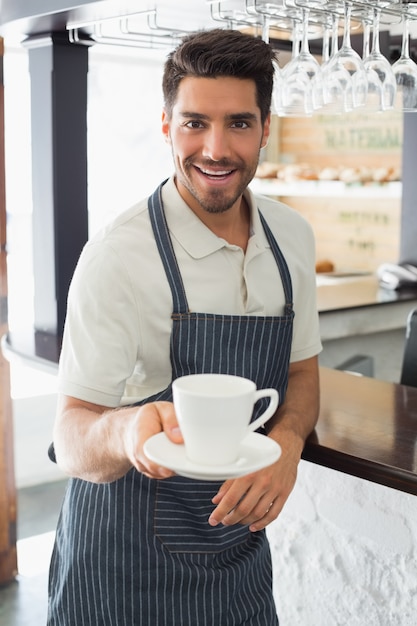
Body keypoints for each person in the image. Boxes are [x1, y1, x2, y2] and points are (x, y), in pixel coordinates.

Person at [47, 28, 322, 625]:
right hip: (121, 573)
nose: (216, 149)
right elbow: (71, 437)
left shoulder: (291, 239)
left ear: (266, 128)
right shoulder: (119, 256)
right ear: (167, 125)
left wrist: (289, 442)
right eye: (195, 122)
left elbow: (302, 373)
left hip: (237, 561)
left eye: (239, 124)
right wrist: (126, 433)